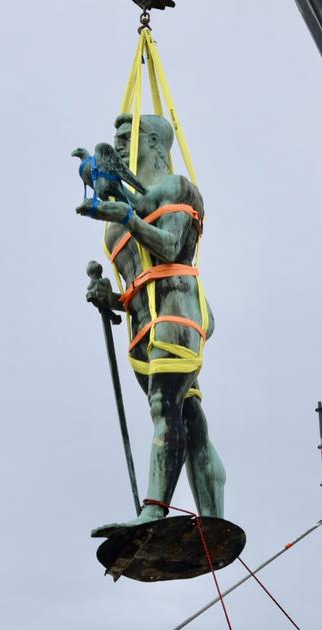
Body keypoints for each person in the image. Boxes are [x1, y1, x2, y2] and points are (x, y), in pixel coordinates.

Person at [78, 113, 225, 535]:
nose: (119, 144)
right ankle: (213, 519)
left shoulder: (178, 189)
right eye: (117, 138)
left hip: (178, 315)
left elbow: (172, 248)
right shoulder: (128, 203)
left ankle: (154, 510)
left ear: (155, 141)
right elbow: (136, 278)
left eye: (128, 137)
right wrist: (112, 298)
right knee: (189, 419)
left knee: (165, 406)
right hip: (144, 329)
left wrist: (127, 218)